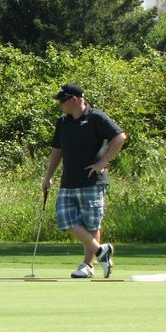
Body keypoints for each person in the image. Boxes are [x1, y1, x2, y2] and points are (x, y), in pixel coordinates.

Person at [42, 82, 128, 279]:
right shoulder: (63, 121)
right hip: (68, 181)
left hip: (92, 181)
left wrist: (103, 162)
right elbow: (57, 151)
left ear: (74, 100)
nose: (60, 105)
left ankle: (88, 266)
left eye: (62, 101)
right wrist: (48, 176)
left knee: (91, 225)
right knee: (65, 219)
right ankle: (101, 252)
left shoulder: (95, 117)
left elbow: (119, 137)